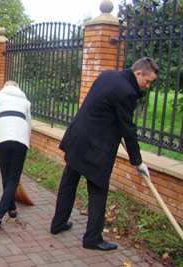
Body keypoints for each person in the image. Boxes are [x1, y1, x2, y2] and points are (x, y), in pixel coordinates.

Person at [50, 57, 158, 251]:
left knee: (69, 181)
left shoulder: (109, 74)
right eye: (147, 81)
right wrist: (138, 162)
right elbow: (128, 129)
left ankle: (58, 224)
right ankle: (92, 238)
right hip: (95, 148)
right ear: (138, 73)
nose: (148, 86)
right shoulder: (127, 93)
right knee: (98, 191)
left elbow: (104, 109)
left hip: (77, 136)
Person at [0, 81, 32, 231]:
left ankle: (10, 211)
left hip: (1, 137)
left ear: (5, 87)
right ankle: (0, 214)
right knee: (13, 178)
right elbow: (29, 125)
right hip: (20, 138)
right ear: (18, 89)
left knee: (5, 176)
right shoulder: (25, 101)